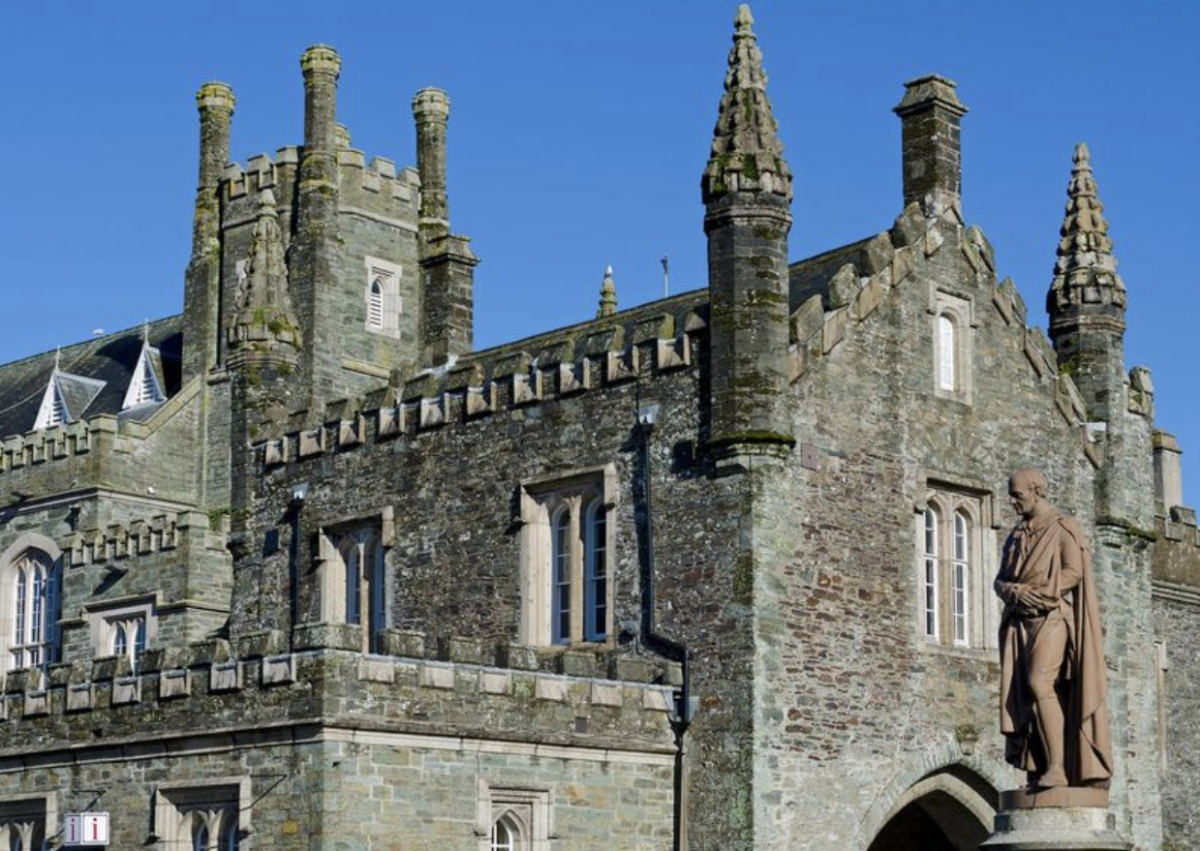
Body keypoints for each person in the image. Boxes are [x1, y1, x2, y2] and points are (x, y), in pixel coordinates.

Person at [994, 468, 1112, 789]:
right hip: (1020, 622)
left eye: (1017, 495)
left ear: (1036, 490)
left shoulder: (1063, 528)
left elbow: (1074, 572)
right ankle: (1041, 765)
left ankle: (1058, 768)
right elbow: (1000, 580)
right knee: (1026, 694)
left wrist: (1042, 592)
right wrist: (1015, 592)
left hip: (1053, 616)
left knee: (1038, 683)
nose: (1013, 502)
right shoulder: (1017, 534)